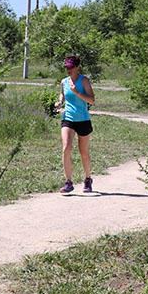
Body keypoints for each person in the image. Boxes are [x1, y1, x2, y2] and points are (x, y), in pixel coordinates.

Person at [57, 55, 95, 193]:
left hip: (83, 119)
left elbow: (91, 100)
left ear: (77, 67)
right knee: (66, 147)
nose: (69, 70)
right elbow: (62, 95)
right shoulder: (64, 81)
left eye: (71, 67)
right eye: (67, 67)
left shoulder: (84, 81)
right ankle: (68, 182)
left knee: (83, 152)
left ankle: (88, 179)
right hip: (68, 118)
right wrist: (59, 102)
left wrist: (77, 92)